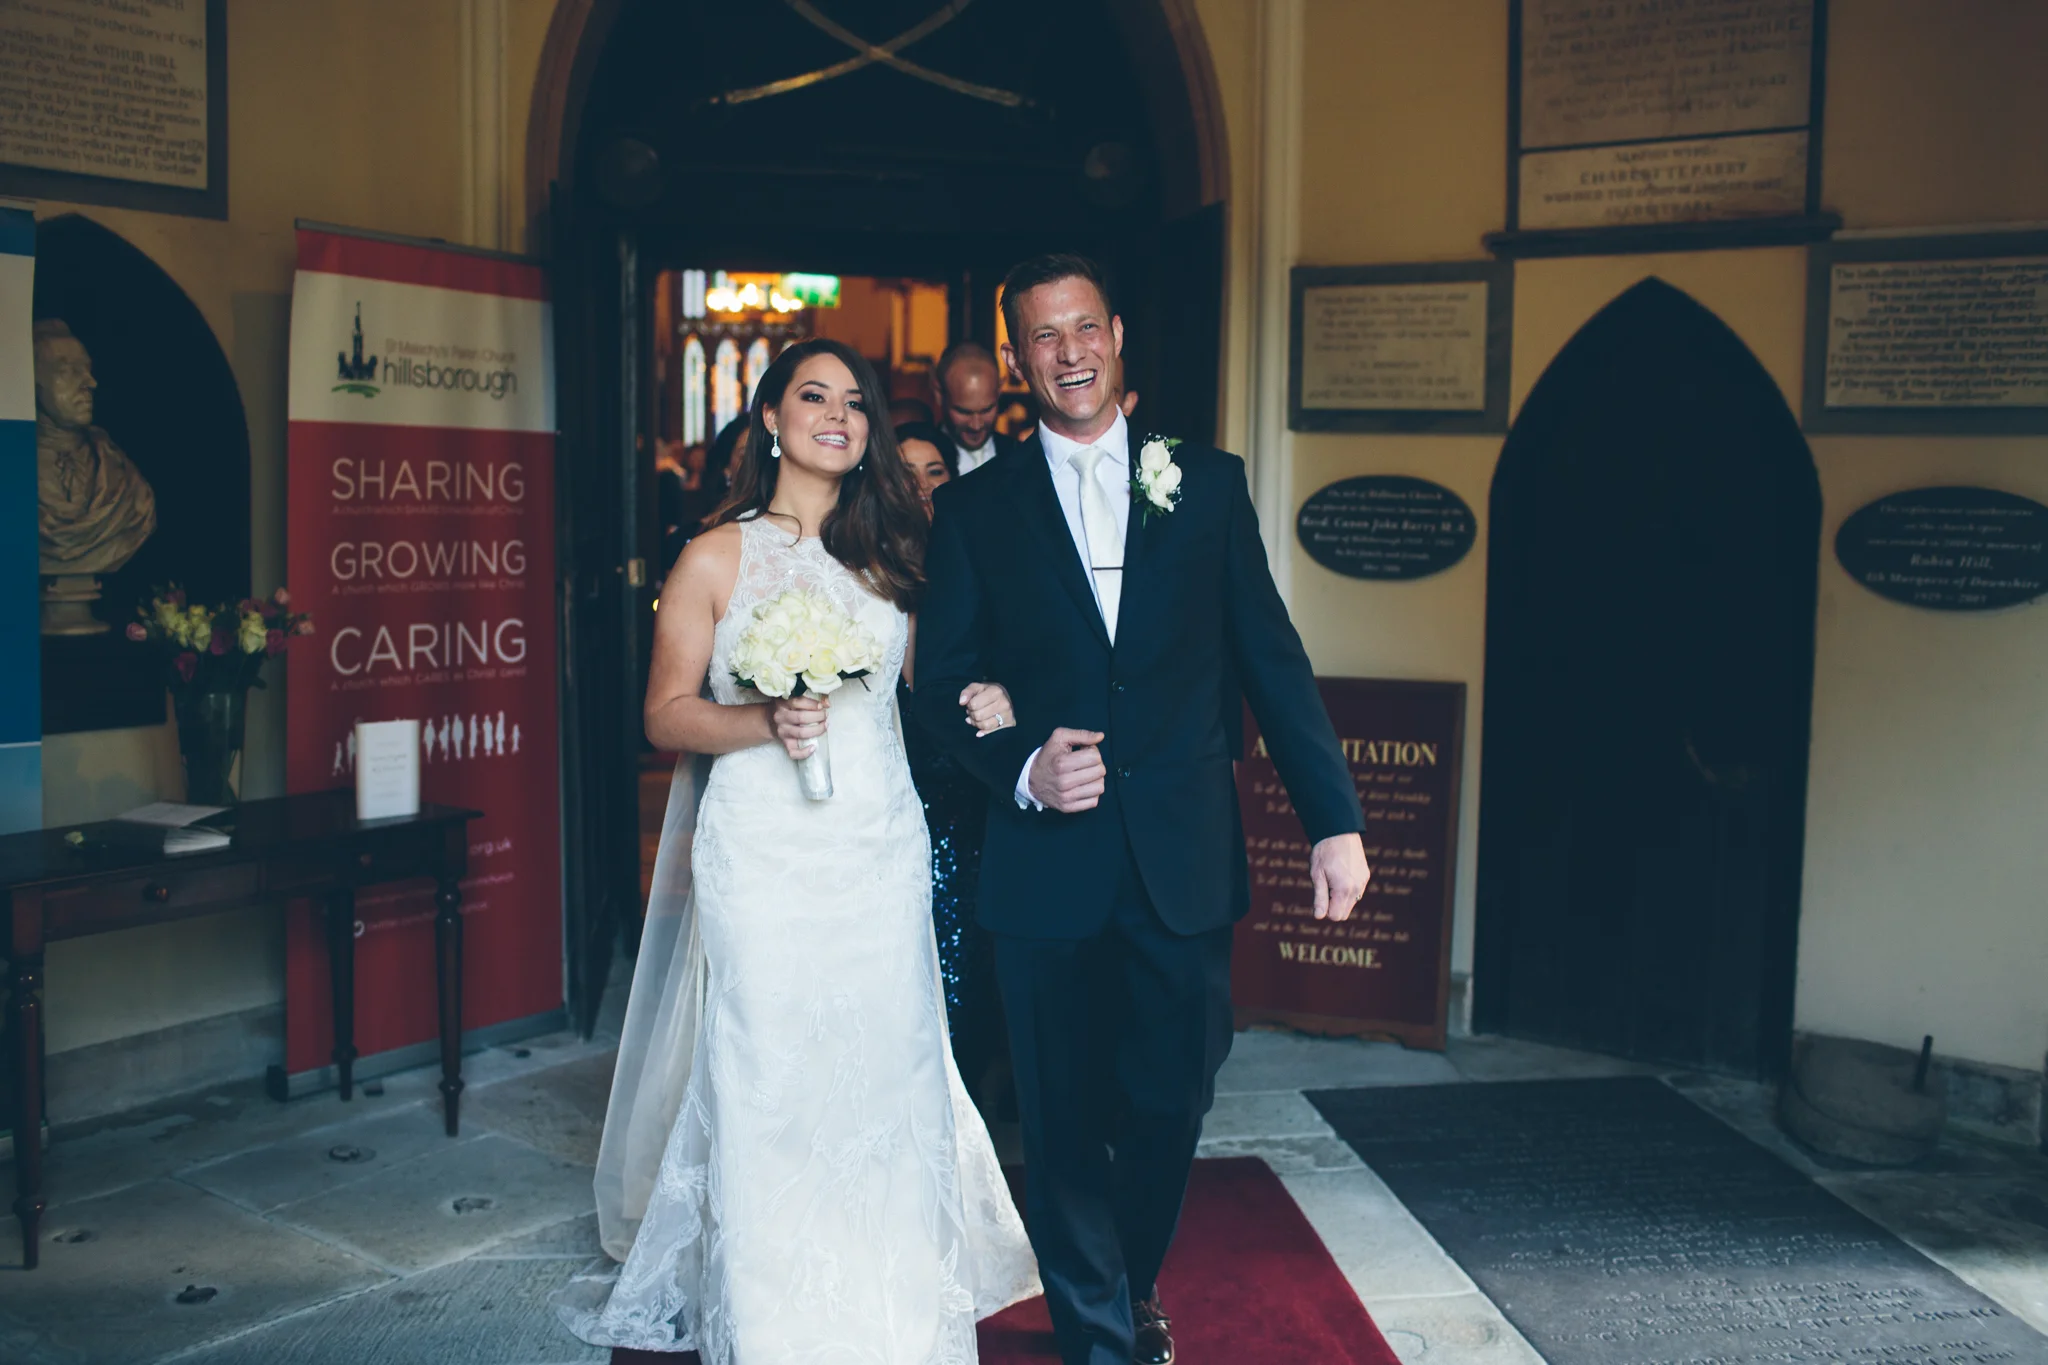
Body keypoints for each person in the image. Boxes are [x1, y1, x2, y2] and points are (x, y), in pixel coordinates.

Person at [913, 254, 1371, 1365]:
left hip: (1179, 855)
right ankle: (1103, 1336)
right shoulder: (976, 511)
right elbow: (938, 689)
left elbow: (1270, 655)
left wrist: (1333, 818)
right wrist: (1023, 764)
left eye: (1082, 329)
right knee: (1060, 1115)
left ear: (1116, 335)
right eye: (1041, 337)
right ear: (1018, 360)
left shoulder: (1201, 482)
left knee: (1171, 1095)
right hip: (1043, 862)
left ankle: (1126, 1275)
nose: (1065, 352)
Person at [562, 338, 1039, 1360]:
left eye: (855, 402)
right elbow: (663, 715)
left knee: (884, 1065)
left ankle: (895, 1309)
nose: (838, 414)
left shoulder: (897, 553)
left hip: (875, 844)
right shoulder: (714, 555)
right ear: (769, 414)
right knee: (766, 1067)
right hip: (763, 852)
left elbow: (942, 680)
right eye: (812, 395)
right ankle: (773, 1320)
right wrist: (763, 723)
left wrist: (1002, 694)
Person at [893, 417, 1004, 1104]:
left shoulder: (984, 567)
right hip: (884, 797)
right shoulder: (860, 573)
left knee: (964, 963)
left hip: (965, 800)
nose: (923, 489)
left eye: (936, 473)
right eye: (905, 475)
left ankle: (963, 1116)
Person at [933, 341, 1021, 474]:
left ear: (999, 390)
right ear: (939, 394)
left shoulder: (1020, 456)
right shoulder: (919, 460)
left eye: (987, 410)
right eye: (964, 412)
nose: (976, 426)